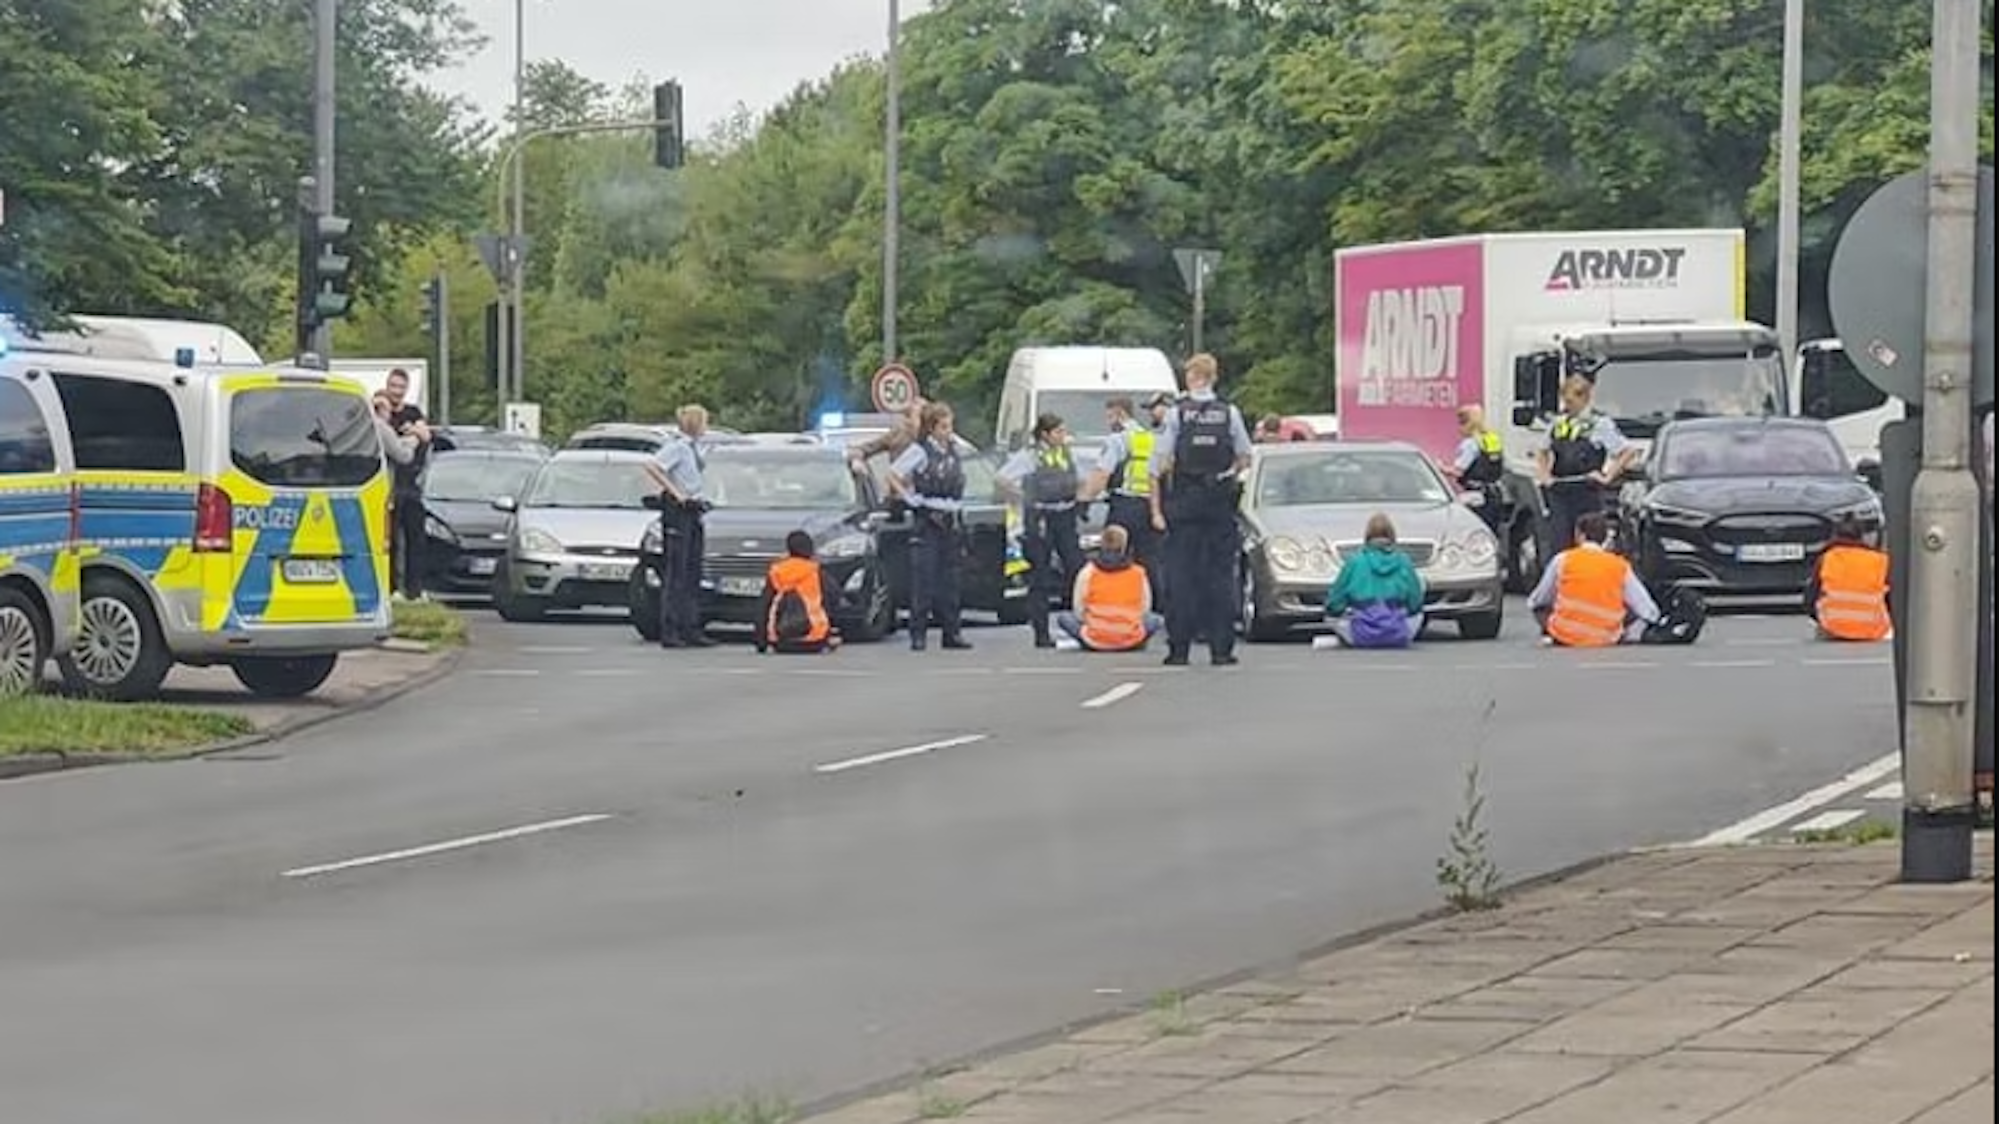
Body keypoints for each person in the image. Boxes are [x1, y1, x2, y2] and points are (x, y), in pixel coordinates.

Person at [1148, 352, 1253, 666]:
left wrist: (1157, 508)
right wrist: (1226, 476)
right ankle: (1221, 649)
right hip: (1219, 503)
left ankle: (1179, 648)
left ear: (1190, 377)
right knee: (1219, 577)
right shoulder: (1229, 412)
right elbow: (1245, 456)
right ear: (1214, 377)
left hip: (1184, 503)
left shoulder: (1177, 414)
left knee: (1181, 577)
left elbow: (1158, 465)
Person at [888, 402, 973, 651]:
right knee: (924, 579)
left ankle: (951, 633)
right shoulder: (921, 451)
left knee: (951, 580)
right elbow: (893, 474)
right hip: (928, 519)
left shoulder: (954, 451)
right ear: (932, 428)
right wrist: (910, 498)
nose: (949, 431)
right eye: (944, 426)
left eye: (950, 425)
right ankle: (919, 634)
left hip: (951, 517)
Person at [1000, 412, 1086, 648]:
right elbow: (1002, 479)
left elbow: (1081, 480)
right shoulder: (1030, 456)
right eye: (1058, 432)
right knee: (1041, 575)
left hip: (1065, 514)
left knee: (1077, 568)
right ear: (1045, 434)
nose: (1063, 436)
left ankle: (1083, 623)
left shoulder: (1067, 454)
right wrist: (1023, 498)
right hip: (1041, 516)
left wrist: (1081, 498)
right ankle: (1041, 632)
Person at [1528, 511, 1662, 647]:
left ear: (1579, 535)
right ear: (1605, 538)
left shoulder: (1563, 559)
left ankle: (1553, 634)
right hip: (1607, 637)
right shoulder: (1620, 566)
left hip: (1565, 635)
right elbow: (1648, 611)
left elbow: (1538, 600)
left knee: (1540, 607)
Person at [643, 404, 716, 649]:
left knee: (692, 571)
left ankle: (691, 626)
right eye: (704, 421)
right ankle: (671, 628)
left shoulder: (694, 449)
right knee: (676, 573)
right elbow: (653, 466)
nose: (707, 426)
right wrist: (675, 493)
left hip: (695, 510)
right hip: (679, 512)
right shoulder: (677, 447)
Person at [1535, 375, 1634, 556]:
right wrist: (1544, 475)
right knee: (1560, 544)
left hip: (1586, 489)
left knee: (1589, 545)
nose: (1567, 405)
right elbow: (1541, 450)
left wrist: (1607, 476)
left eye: (1571, 400)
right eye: (1565, 400)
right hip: (1560, 489)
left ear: (1584, 398)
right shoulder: (1558, 423)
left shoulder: (1599, 424)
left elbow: (1627, 451)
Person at [1083, 396, 1164, 601]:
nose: (1109, 422)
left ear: (1120, 414)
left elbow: (1102, 474)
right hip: (1148, 506)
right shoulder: (1148, 438)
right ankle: (1153, 604)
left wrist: (1083, 499)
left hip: (1124, 506)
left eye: (1110, 417)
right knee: (1149, 560)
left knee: (1114, 557)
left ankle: (1115, 600)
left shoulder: (1117, 439)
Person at [1322, 513, 1427, 649]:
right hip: (1399, 633)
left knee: (1330, 618)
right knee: (1420, 590)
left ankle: (1356, 635)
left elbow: (1334, 604)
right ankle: (1393, 632)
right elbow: (1416, 604)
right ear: (1392, 535)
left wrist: (1339, 612)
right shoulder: (1404, 560)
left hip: (1360, 634)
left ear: (1367, 535)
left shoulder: (1354, 561)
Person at [1054, 524, 1160, 651]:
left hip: (1095, 636)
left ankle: (1094, 641)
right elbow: (1145, 608)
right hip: (1130, 634)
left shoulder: (1088, 572)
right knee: (1156, 620)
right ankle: (1132, 642)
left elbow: (1078, 608)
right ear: (1124, 546)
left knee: (1064, 618)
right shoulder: (1138, 572)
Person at [382, 367, 433, 599]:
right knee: (390, 541)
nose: (396, 392)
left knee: (416, 540)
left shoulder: (413, 411)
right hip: (388, 487)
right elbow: (388, 442)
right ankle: (391, 588)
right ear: (386, 385)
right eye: (393, 386)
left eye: (401, 387)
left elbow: (426, 434)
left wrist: (412, 430)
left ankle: (415, 590)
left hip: (411, 485)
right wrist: (410, 436)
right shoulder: (380, 411)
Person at [1805, 516, 1891, 642]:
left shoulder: (1827, 559)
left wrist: (1822, 619)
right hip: (1872, 629)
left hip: (1832, 628)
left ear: (1834, 536)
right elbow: (1892, 600)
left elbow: (1809, 600)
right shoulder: (1879, 560)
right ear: (1861, 536)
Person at [756, 530, 840, 653]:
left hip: (781, 641)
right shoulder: (815, 571)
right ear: (810, 550)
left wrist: (762, 642)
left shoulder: (777, 571)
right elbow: (835, 595)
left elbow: (763, 607)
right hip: (814, 640)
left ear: (789, 549)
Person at [1444, 404, 1506, 536]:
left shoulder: (1470, 444)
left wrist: (1440, 468)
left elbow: (1458, 471)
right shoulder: (1492, 439)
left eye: (1460, 424)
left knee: (1473, 533)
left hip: (1475, 496)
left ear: (1466, 425)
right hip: (1495, 495)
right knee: (1491, 533)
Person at [848, 396, 924, 469]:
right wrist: (857, 457)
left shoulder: (930, 437)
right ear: (908, 418)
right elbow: (871, 447)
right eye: (920, 415)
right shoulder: (898, 433)